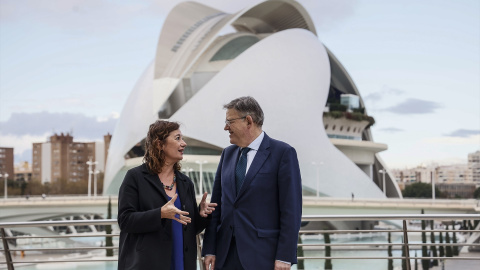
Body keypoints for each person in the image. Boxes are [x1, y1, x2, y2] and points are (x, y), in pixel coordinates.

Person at [202, 96, 302, 270]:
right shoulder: (227, 154)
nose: (226, 127)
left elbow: (291, 210)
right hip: (225, 256)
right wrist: (210, 249)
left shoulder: (283, 153)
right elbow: (216, 206)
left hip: (263, 256)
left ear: (248, 121)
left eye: (229, 121)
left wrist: (284, 256)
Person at [118, 120, 217, 270]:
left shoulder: (185, 183)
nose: (183, 143)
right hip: (147, 264)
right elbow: (125, 220)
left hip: (182, 263)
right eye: (177, 138)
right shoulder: (135, 177)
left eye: (182, 139)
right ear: (159, 144)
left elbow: (190, 228)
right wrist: (160, 214)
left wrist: (202, 215)